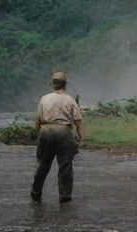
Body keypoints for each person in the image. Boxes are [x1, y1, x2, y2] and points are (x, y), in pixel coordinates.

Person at [30, 71, 83, 203]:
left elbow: (38, 120)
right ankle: (64, 197)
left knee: (43, 164)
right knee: (65, 166)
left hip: (46, 131)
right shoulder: (70, 100)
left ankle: (36, 193)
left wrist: (37, 134)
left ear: (52, 84)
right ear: (65, 85)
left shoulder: (44, 98)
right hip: (64, 132)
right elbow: (78, 121)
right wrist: (80, 138)